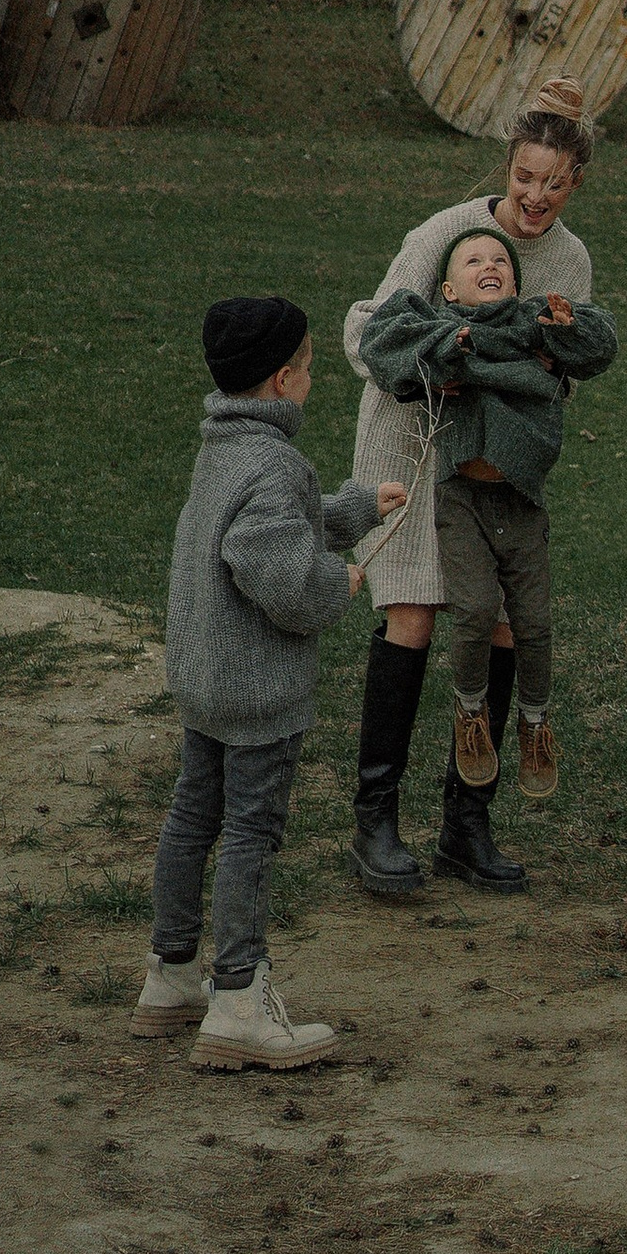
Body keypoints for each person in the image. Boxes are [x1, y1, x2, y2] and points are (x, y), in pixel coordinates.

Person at [131, 293, 405, 1071]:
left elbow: (262, 521)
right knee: (252, 829)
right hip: (256, 694)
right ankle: (240, 997)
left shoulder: (224, 444)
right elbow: (277, 567)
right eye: (311, 365)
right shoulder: (275, 461)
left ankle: (172, 972)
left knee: (193, 816)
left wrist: (352, 507)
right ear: (284, 379)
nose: (313, 377)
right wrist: (334, 584)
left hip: (204, 678)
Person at [341, 76, 599, 896]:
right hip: (413, 442)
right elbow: (365, 327)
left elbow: (567, 365)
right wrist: (438, 365)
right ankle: (374, 822)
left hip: (497, 465)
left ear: (573, 182)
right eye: (525, 176)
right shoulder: (447, 232)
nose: (535, 196)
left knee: (501, 625)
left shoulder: (570, 260)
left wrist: (533, 377)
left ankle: (466, 821)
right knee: (415, 611)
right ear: (509, 166)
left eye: (553, 182)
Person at [358, 227, 617, 806]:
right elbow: (382, 342)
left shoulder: (531, 324)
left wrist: (563, 324)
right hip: (461, 499)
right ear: (449, 289)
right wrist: (459, 350)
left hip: (522, 502)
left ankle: (534, 723)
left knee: (533, 623)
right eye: (474, 260)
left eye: (501, 259)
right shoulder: (443, 331)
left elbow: (600, 345)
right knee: (474, 610)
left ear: (518, 285)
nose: (490, 264)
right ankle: (469, 712)